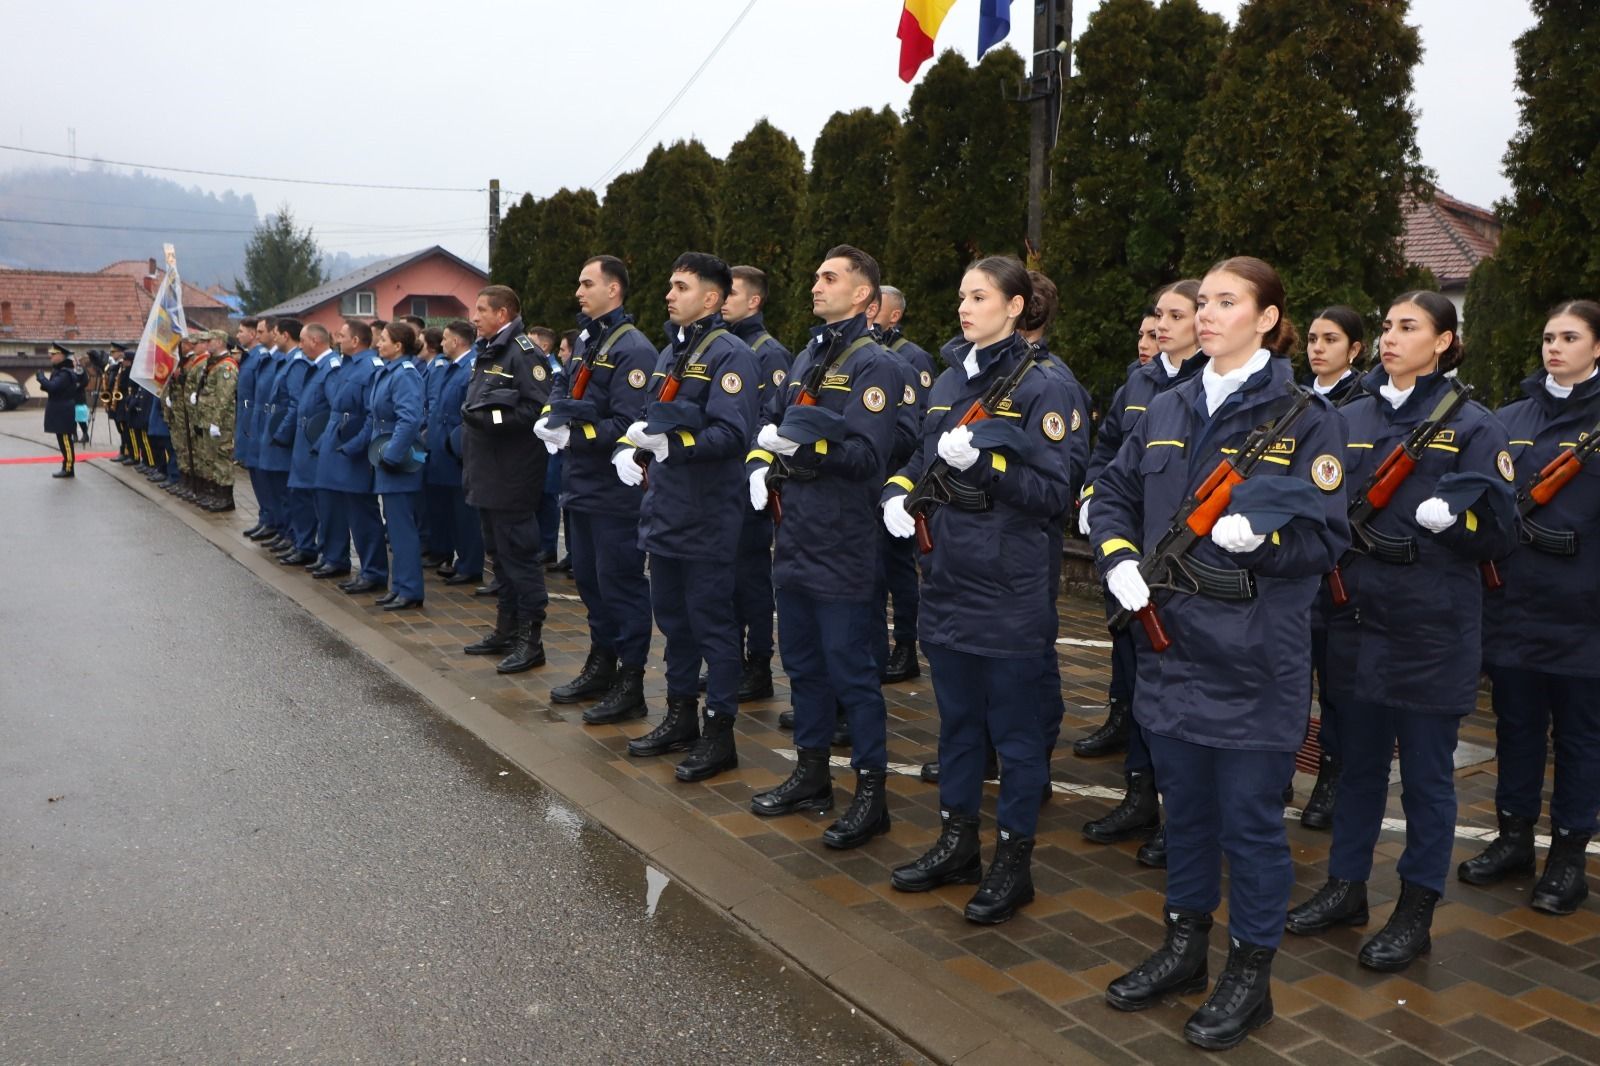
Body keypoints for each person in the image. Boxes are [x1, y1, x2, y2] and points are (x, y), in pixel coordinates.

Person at [1092, 256, 1349, 1049]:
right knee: (1187, 815)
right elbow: (1114, 492)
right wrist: (1116, 556)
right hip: (1171, 652)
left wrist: (1264, 544)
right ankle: (1184, 947)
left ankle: (1250, 973)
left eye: (1225, 302)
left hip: (1253, 660)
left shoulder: (1305, 419)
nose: (1205, 314)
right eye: (1201, 301)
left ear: (1268, 319)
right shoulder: (1166, 404)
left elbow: (1327, 538)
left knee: (1251, 826)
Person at [1287, 291, 1515, 974]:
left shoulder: (1473, 426)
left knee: (1425, 779)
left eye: (1408, 327)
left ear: (1443, 341)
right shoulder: (1346, 417)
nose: (1390, 337)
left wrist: (1461, 523)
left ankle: (1416, 907)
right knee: (1356, 765)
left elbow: (1501, 533)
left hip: (1431, 629)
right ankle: (1346, 886)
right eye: (1387, 326)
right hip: (1357, 622)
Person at [882, 256, 1076, 924]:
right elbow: (921, 454)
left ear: (1016, 307)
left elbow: (1054, 494)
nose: (964, 307)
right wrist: (898, 491)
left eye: (980, 297)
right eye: (962, 296)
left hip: (1008, 588)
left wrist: (989, 467)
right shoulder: (948, 378)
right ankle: (957, 843)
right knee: (959, 727)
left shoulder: (1044, 386)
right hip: (946, 579)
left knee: (1017, 739)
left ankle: (1013, 864)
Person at [745, 245, 900, 847]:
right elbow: (773, 421)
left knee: (852, 673)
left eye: (830, 278)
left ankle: (871, 796)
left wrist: (805, 450)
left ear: (862, 295)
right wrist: (762, 460)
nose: (816, 284)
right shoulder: (810, 353)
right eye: (816, 276)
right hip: (796, 537)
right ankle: (811, 775)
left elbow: (866, 456)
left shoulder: (874, 364)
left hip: (843, 540)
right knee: (803, 665)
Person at [1461, 299, 1600, 916]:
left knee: (1579, 739)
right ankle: (1513, 838)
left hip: (1584, 615)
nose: (1554, 348)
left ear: (1597, 347)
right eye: (1548, 338)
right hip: (1513, 605)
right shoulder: (1510, 418)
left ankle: (1568, 856)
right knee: (1514, 729)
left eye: (1569, 337)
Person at [1074, 280, 1206, 869]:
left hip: (1185, 570)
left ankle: (1184, 817)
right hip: (1132, 560)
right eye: (1159, 314)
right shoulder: (1141, 381)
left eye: (1176, 314)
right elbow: (1107, 453)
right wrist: (1091, 496)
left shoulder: (1208, 387)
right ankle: (1138, 796)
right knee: (1135, 681)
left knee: (1183, 699)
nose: (1162, 325)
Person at [616, 252, 760, 782]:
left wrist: (672, 446)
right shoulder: (671, 352)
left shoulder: (730, 354)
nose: (669, 295)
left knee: (713, 626)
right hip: (665, 512)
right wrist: (634, 446)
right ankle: (680, 716)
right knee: (674, 623)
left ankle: (719, 732)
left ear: (712, 298)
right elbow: (651, 418)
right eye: (671, 286)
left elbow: (732, 435)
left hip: (707, 515)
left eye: (681, 287)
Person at [534, 256, 657, 722]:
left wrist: (575, 436)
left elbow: (629, 423)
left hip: (614, 492)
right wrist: (551, 416)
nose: (579, 292)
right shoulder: (589, 338)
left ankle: (631, 680)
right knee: (589, 582)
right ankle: (602, 662)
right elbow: (563, 385)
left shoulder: (633, 349)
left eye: (588, 284)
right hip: (581, 485)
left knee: (620, 585)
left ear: (614, 289)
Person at [459, 285, 553, 673]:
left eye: (482, 309)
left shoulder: (524, 354)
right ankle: (506, 629)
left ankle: (531, 640)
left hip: (512, 475)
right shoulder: (490, 351)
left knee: (520, 559)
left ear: (503, 314)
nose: (474, 316)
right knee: (500, 557)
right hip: (487, 473)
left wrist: (490, 419)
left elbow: (537, 409)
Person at [1299, 306, 1367, 828]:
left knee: (1337, 686)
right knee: (1290, 679)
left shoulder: (1365, 407)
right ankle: (1279, 767)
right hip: (1293, 565)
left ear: (1355, 349)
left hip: (1341, 569)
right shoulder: (1294, 403)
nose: (1318, 348)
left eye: (1331, 339)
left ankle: (1332, 772)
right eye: (1312, 339)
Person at [723, 264, 793, 700]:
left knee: (750, 579)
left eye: (731, 293)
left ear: (754, 301)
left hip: (749, 482)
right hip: (721, 482)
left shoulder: (770, 353)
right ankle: (731, 660)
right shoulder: (722, 346)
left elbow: (769, 420)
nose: (722, 299)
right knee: (727, 580)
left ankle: (758, 665)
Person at [871, 284, 937, 682]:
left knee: (897, 568)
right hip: (868, 479)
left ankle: (906, 646)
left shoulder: (912, 358)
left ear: (894, 315)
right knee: (874, 570)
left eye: (877, 306)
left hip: (896, 479)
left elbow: (920, 426)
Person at [359, 321, 428, 611]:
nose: (378, 343)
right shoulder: (389, 371)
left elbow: (410, 419)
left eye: (384, 339)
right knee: (396, 528)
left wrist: (391, 455)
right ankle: (399, 586)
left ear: (398, 346)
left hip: (398, 459)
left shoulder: (405, 374)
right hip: (386, 453)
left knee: (402, 528)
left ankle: (410, 590)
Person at [316, 320, 389, 595]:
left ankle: (374, 572)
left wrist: (355, 446)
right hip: (337, 444)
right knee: (337, 506)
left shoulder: (370, 367)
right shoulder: (347, 365)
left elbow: (372, 415)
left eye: (342, 335)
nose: (338, 339)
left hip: (353, 450)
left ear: (356, 340)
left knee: (362, 513)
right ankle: (337, 559)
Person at [424, 320, 484, 587]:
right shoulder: (451, 367)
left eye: (446, 338)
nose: (442, 343)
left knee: (465, 514)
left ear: (457, 341)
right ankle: (459, 559)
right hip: (442, 449)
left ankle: (470, 565)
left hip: (458, 453)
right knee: (450, 512)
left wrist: (457, 446)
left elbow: (468, 412)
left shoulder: (470, 368)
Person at [287, 324, 342, 568]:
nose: (299, 346)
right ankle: (306, 546)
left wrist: (320, 444)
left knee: (322, 505)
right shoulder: (317, 366)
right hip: (305, 444)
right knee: (302, 497)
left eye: (302, 340)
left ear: (316, 340)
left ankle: (328, 554)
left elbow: (335, 411)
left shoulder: (331, 367)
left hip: (316, 446)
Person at [192, 330, 239, 512]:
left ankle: (225, 498)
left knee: (221, 458)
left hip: (220, 422)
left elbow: (224, 397)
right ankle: (215, 494)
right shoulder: (212, 363)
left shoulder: (226, 366)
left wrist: (216, 422)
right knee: (210, 457)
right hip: (207, 418)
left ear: (219, 342)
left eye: (209, 341)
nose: (206, 344)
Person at [36, 342, 83, 478]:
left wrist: (41, 378)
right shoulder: (60, 371)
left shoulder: (65, 373)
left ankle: (68, 468)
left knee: (66, 441)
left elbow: (52, 387)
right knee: (62, 440)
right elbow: (52, 389)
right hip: (59, 409)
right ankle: (66, 467)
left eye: (53, 354)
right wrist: (45, 382)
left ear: (61, 355)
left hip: (64, 410)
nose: (50, 356)